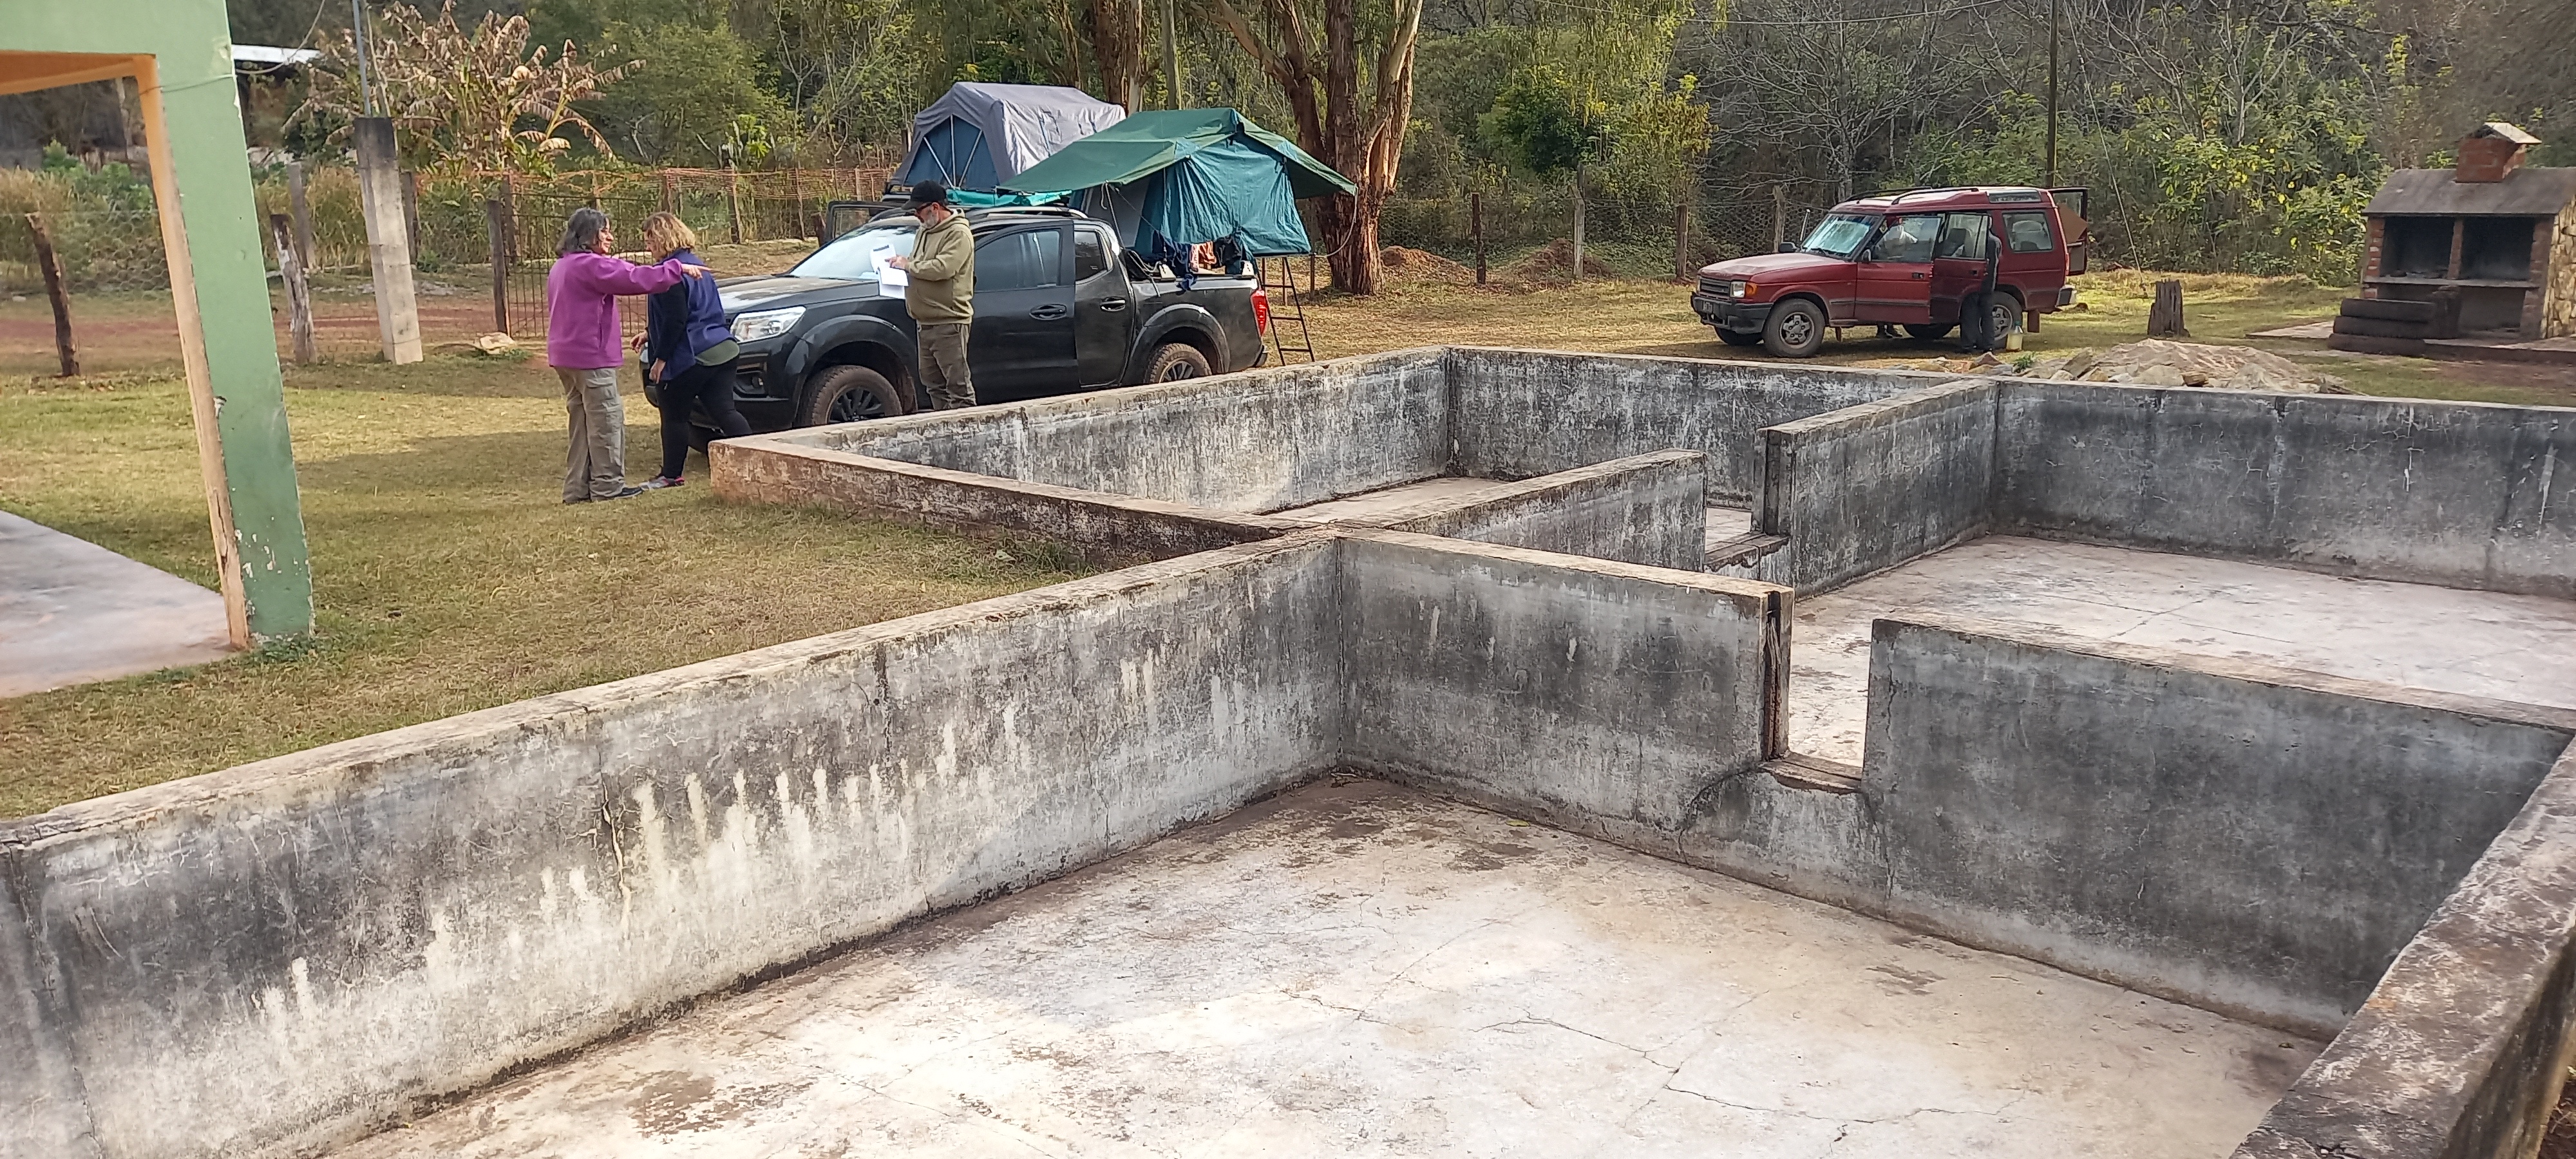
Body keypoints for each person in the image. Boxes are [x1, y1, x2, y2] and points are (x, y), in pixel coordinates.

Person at [545, 207, 705, 504]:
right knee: (606, 421)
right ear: (589, 236)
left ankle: (577, 489)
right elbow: (632, 277)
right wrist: (676, 269)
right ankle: (608, 487)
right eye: (605, 231)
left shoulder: (562, 265)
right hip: (591, 358)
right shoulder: (591, 265)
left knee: (581, 424)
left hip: (564, 357)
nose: (610, 237)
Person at [634, 212, 748, 491]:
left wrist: (661, 359)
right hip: (722, 347)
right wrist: (650, 333)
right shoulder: (696, 265)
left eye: (650, 239)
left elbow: (676, 320)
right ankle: (757, 457)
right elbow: (693, 309)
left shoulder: (669, 273)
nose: (648, 246)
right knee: (725, 411)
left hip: (692, 352)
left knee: (674, 414)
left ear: (664, 238)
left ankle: (671, 475)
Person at [885, 181, 976, 409]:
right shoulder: (924, 231)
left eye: (919, 210)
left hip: (949, 321)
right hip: (924, 322)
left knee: (958, 387)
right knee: (933, 385)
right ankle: (943, 425)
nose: (916, 216)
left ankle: (965, 426)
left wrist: (908, 266)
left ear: (935, 207)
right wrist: (900, 264)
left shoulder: (959, 233)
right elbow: (919, 263)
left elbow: (943, 268)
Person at [1956, 217, 2007, 355]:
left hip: (1974, 282)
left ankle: (1968, 345)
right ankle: (1988, 345)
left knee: (1970, 314)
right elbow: (1996, 263)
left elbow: (1965, 258)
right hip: (1989, 283)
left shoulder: (1975, 240)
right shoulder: (1996, 241)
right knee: (1987, 316)